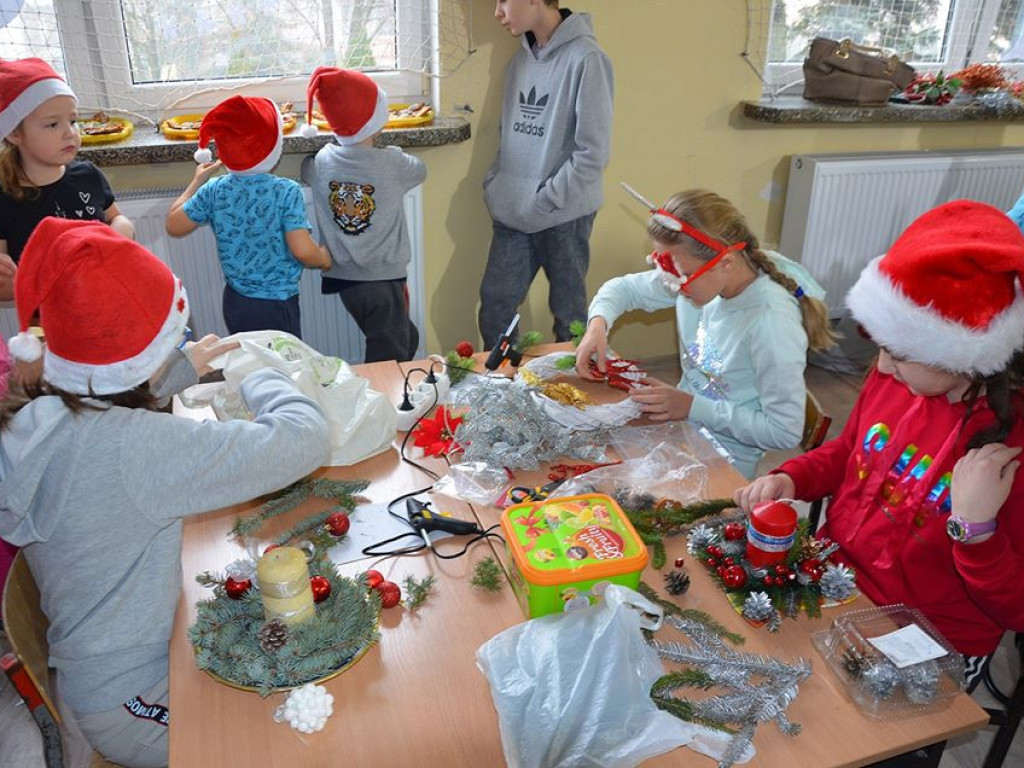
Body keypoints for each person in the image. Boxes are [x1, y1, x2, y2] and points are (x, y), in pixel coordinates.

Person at [0, 217, 330, 768]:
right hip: (137, 696)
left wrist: (181, 369)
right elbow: (305, 438)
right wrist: (256, 370)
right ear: (141, 356)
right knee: (290, 742)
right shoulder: (140, 450)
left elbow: (103, 420)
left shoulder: (40, 416)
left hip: (103, 669)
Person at [734, 200, 1024, 677]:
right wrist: (792, 477)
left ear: (961, 353)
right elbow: (852, 452)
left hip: (931, 633)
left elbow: (1015, 611)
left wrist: (976, 530)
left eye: (898, 352)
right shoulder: (898, 377)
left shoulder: (1008, 448)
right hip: (836, 578)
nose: (882, 367)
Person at [576, 189, 836, 478]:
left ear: (725, 263)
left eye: (680, 276)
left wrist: (692, 406)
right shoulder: (700, 274)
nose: (672, 285)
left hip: (726, 459)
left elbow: (784, 432)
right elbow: (623, 290)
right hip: (682, 427)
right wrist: (597, 324)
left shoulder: (770, 325)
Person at [479, 0, 613, 349]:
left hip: (564, 214)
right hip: (513, 209)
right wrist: (498, 184)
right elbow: (507, 133)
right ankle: (506, 390)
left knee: (569, 317)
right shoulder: (520, 59)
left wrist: (546, 198)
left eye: (503, 1)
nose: (497, 12)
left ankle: (572, 397)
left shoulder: (587, 58)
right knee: (495, 307)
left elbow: (592, 153)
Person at [166, 95, 330, 339]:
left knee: (250, 365)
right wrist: (324, 259)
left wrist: (196, 182)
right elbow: (303, 251)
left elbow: (173, 223)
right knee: (281, 369)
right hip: (276, 305)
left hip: (235, 302)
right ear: (273, 146)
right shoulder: (286, 191)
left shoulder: (214, 189)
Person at [301, 67, 424, 363]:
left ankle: (391, 388)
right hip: (384, 279)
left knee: (405, 337)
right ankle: (385, 400)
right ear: (377, 120)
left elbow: (306, 171)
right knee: (388, 353)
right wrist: (393, 152)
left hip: (346, 282)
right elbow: (421, 170)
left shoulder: (322, 160)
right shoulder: (393, 162)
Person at [0, 57, 134, 300]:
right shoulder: (4, 197)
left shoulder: (87, 175)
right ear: (14, 133)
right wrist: (13, 281)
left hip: (107, 302)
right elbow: (6, 287)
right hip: (47, 326)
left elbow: (117, 218)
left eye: (72, 121)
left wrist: (119, 234)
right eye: (52, 124)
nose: (69, 133)